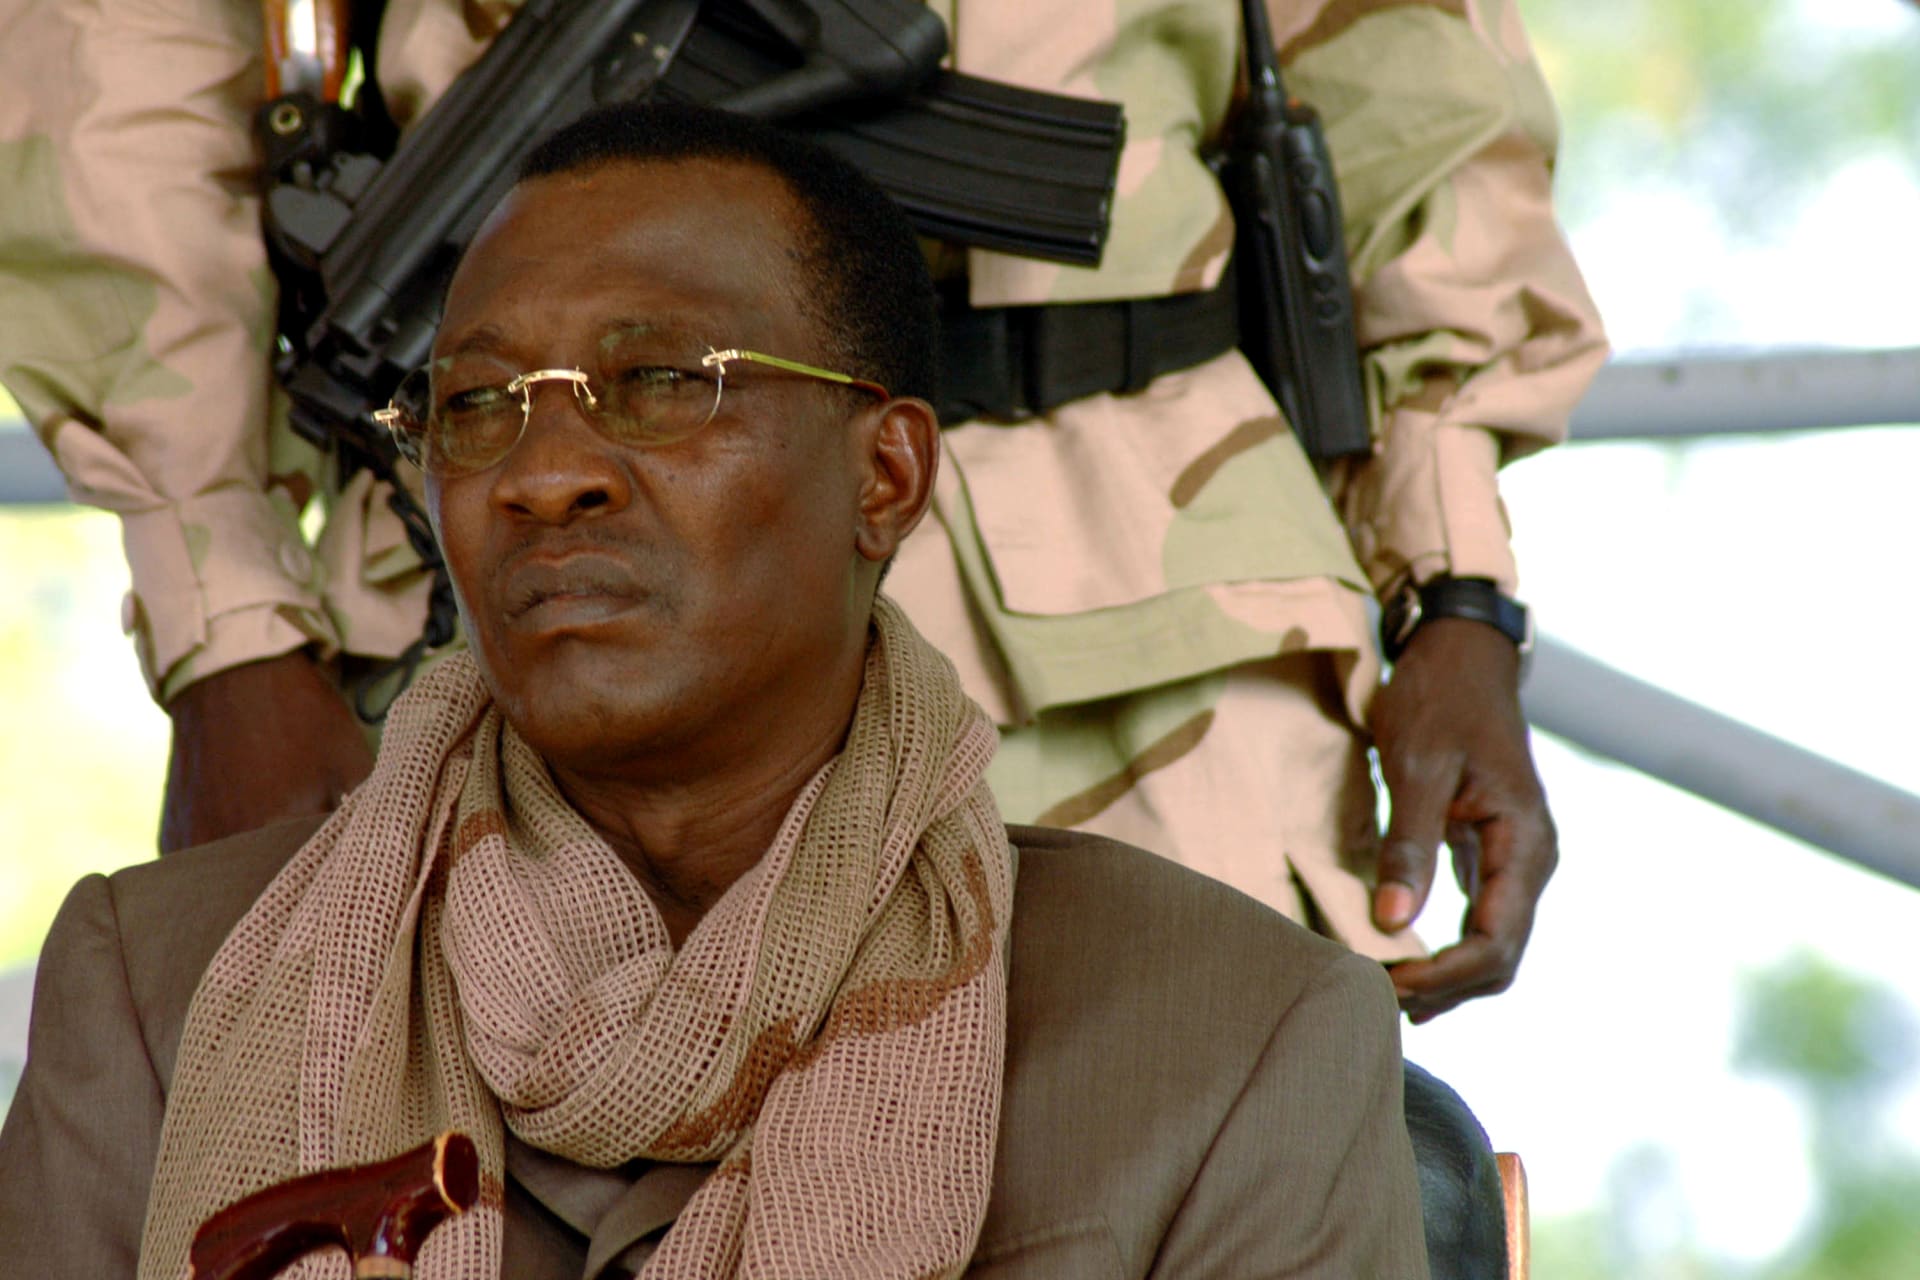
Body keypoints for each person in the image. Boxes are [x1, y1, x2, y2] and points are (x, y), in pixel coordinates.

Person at [0, 103, 1430, 1279]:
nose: (544, 471)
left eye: (663, 380)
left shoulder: (1231, 1036)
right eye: (477, 403)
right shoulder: (161, 983)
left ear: (886, 477)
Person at [0, 0, 1607, 1020]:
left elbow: (1414, 83)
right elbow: (114, 90)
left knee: (1228, 1169)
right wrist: (229, 633)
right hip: (544, 601)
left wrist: (1458, 595)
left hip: (1156, 619)